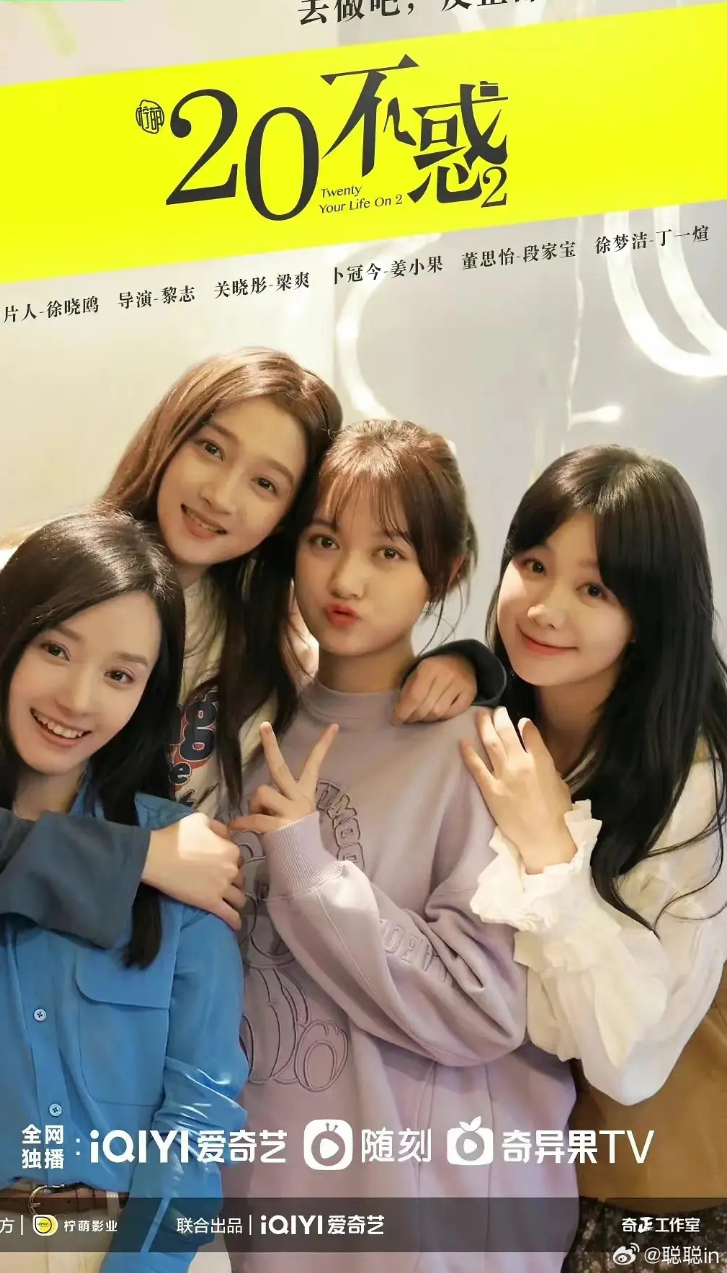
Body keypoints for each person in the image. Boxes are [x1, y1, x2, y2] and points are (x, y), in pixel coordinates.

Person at [0, 350, 504, 939]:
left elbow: (357, 684)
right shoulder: (8, 587)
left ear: (286, 518)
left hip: (139, 973)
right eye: (211, 449)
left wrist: (469, 666)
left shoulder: (266, 654)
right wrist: (139, 857)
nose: (220, 495)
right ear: (168, 438)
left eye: (265, 483)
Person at [218, 420, 577, 1273]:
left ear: (444, 571)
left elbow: (484, 1004)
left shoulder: (476, 750)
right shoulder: (249, 731)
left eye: (388, 552)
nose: (346, 579)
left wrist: (308, 867)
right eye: (324, 541)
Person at [0, 511, 247, 1273]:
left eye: (120, 674)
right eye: (56, 648)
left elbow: (202, 1110)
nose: (78, 699)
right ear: (3, 640)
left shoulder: (189, 854)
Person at [461, 446, 727, 1269]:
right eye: (533, 565)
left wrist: (551, 850)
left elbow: (630, 1057)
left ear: (647, 613)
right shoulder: (499, 730)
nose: (545, 608)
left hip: (668, 1205)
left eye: (595, 589)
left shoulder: (695, 782)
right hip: (526, 1180)